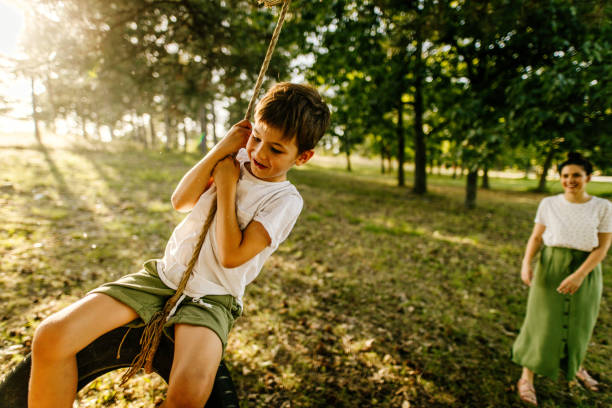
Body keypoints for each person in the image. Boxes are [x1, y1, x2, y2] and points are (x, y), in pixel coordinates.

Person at [28, 82, 331, 408]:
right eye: (257, 137)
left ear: (303, 156)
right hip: (162, 277)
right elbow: (181, 200)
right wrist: (220, 149)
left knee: (188, 395)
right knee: (50, 337)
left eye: (276, 149)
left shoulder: (285, 200)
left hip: (213, 297)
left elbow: (231, 256)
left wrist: (228, 187)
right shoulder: (234, 156)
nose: (258, 153)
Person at [512, 152, 612, 406]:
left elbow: (602, 248)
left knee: (580, 322)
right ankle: (527, 377)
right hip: (551, 267)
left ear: (588, 177)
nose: (570, 180)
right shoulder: (548, 203)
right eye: (565, 175)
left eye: (576, 175)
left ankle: (575, 366)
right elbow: (536, 238)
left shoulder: (603, 207)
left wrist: (579, 275)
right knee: (541, 321)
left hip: (586, 270)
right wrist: (526, 263)